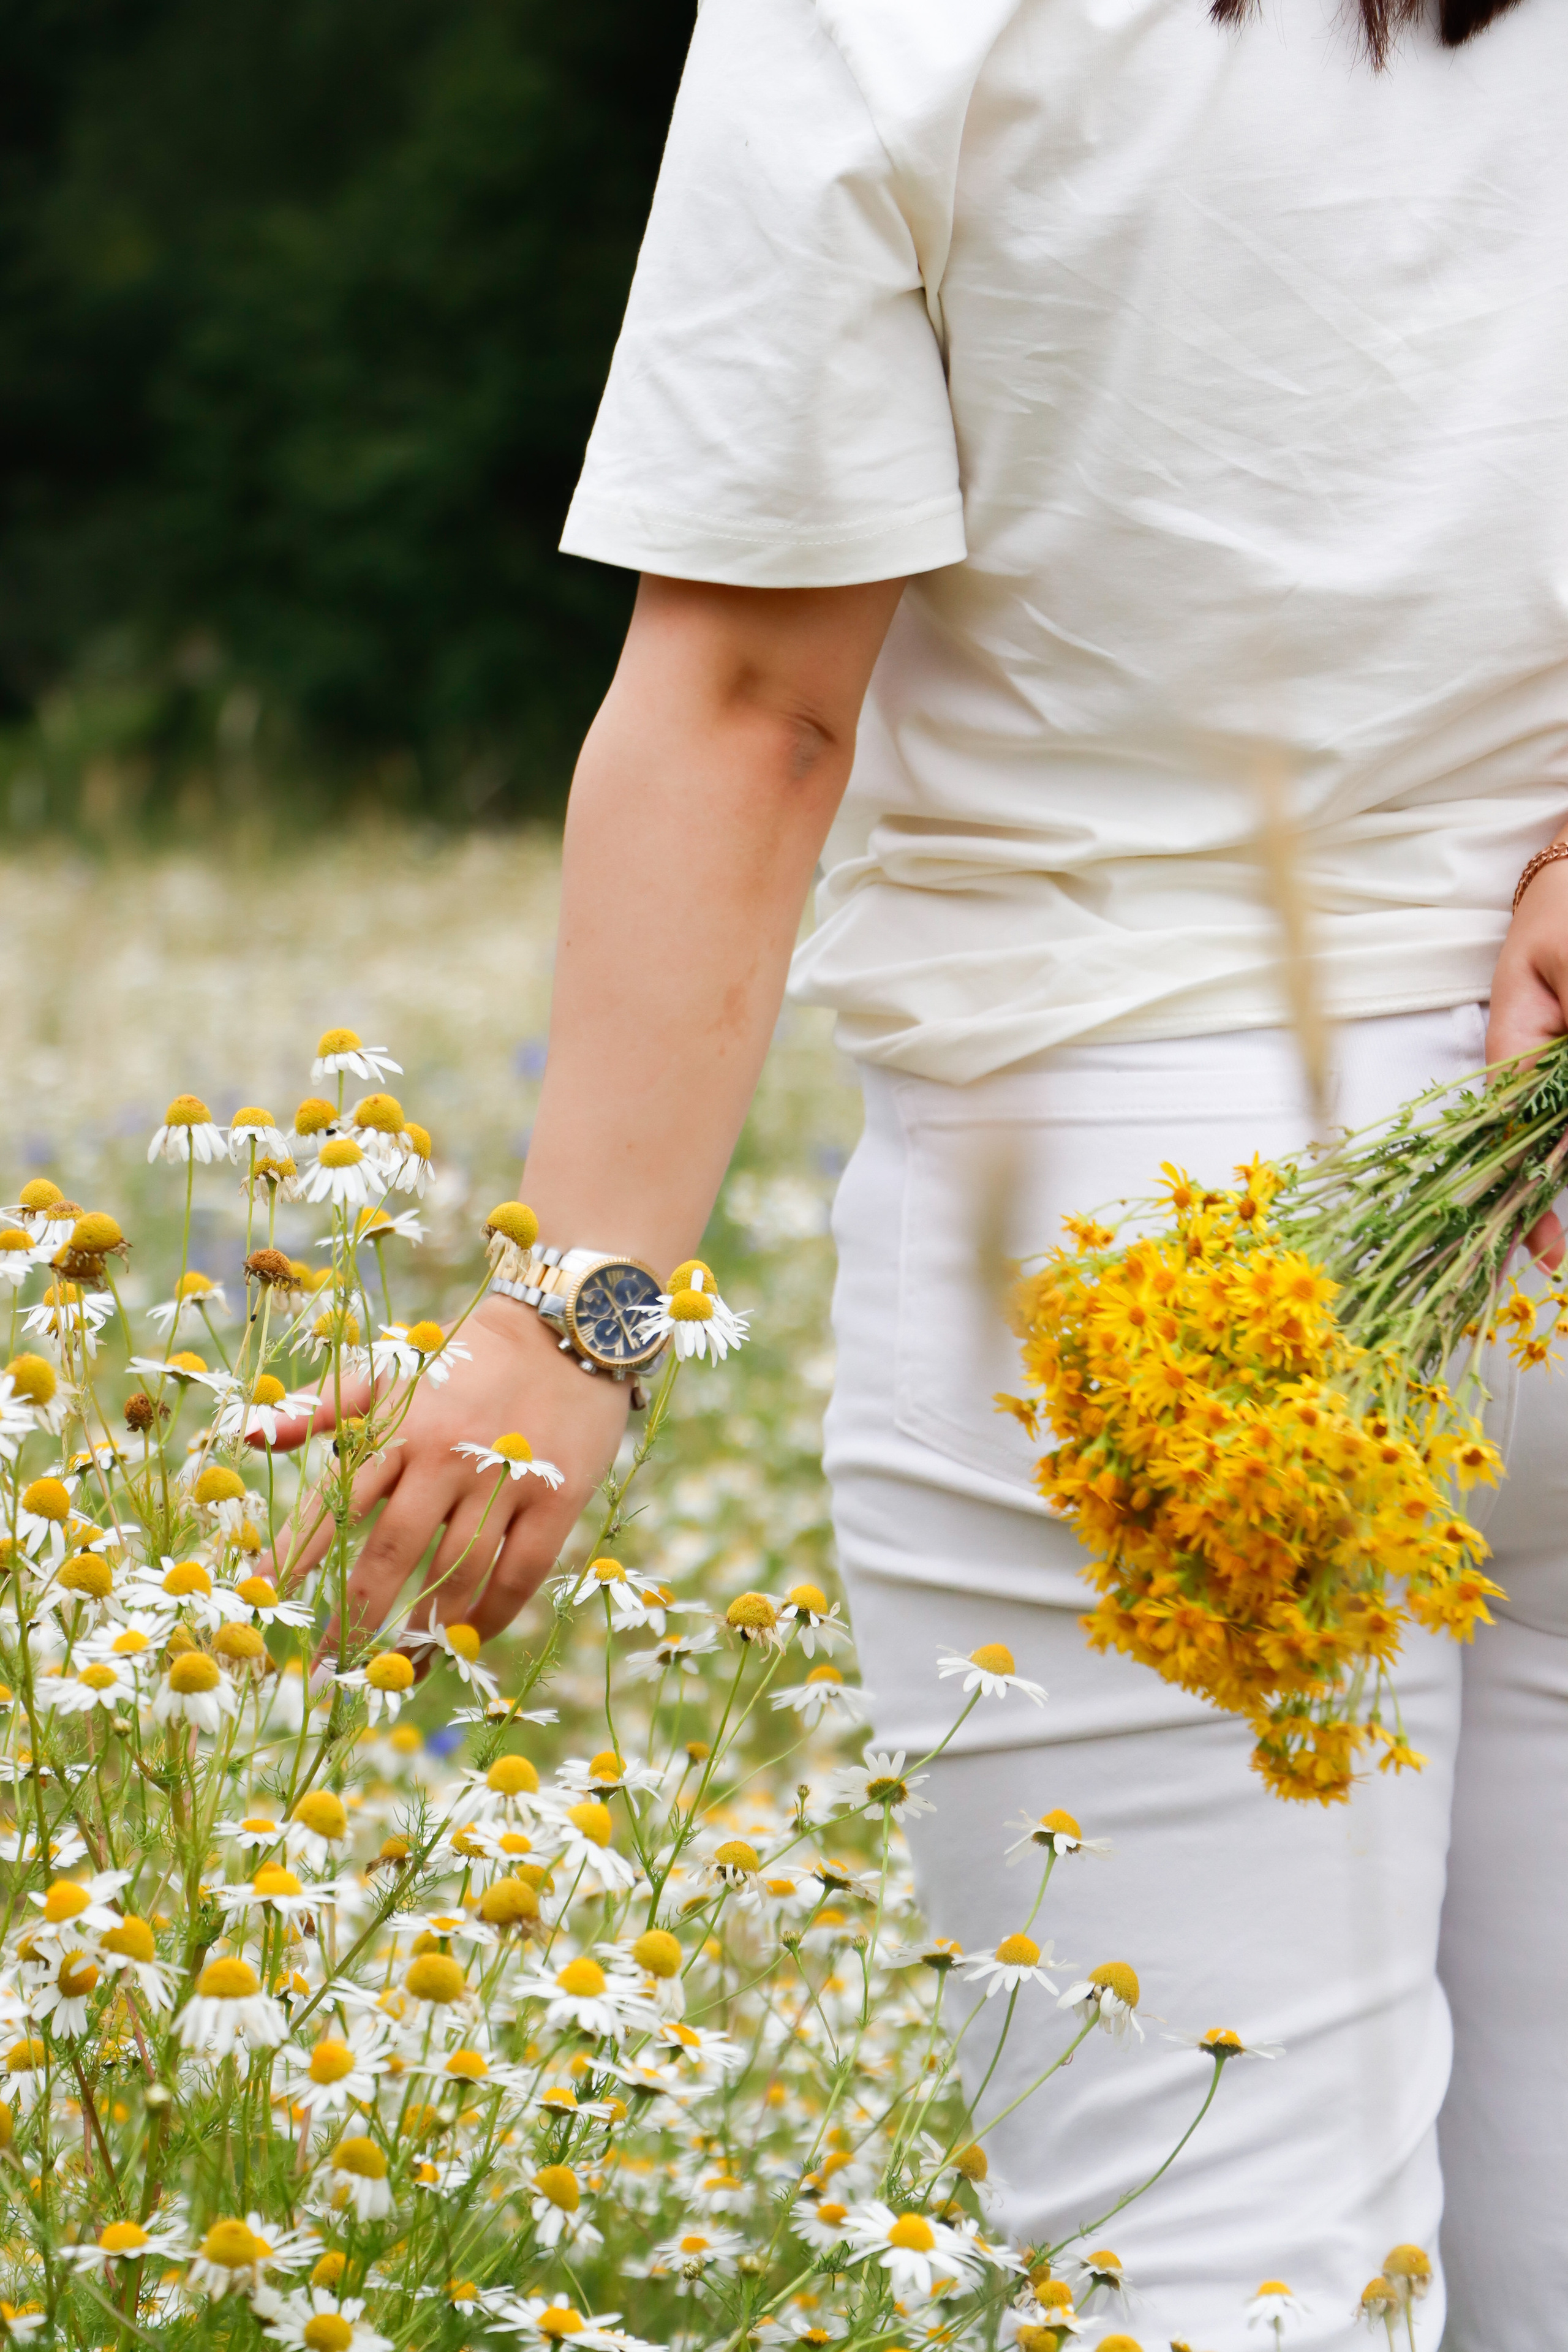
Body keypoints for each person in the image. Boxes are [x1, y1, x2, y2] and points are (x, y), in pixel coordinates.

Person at [280, 0, 1568, 2339]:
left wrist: (570, 1318)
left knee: (1226, 2258)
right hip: (1548, 1129)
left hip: (1133, 1239)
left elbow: (757, 710)